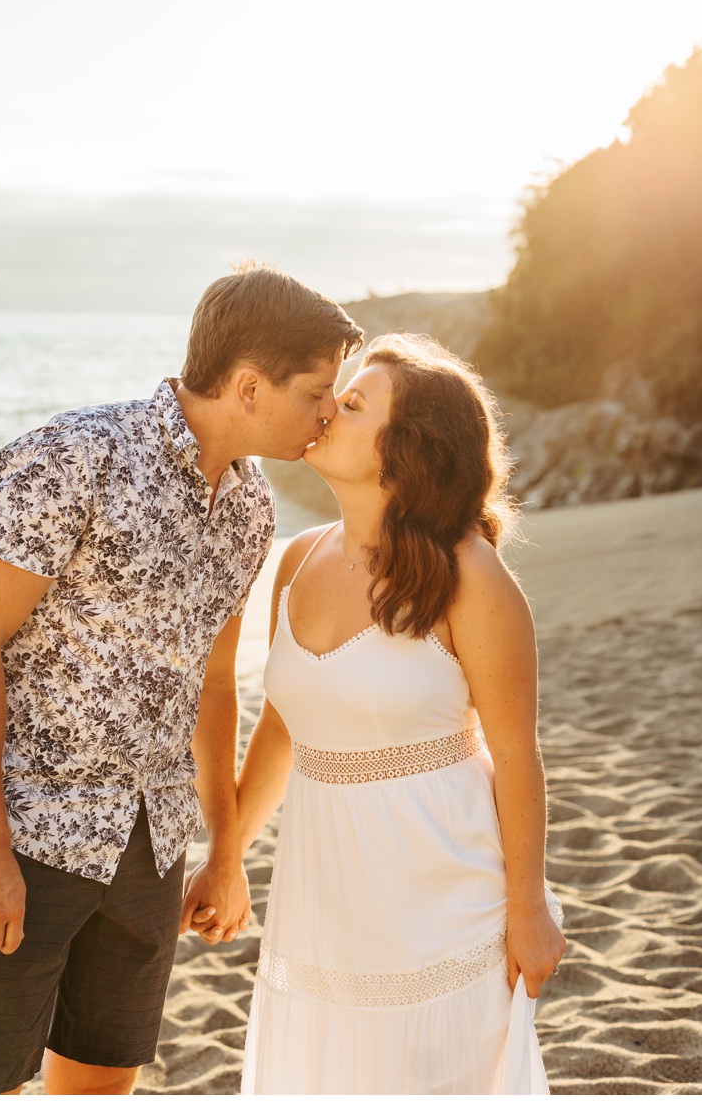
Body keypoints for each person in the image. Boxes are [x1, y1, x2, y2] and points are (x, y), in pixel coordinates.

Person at [0, 263, 362, 1095]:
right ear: (248, 386)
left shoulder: (252, 509)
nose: (329, 411)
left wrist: (225, 852)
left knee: (101, 1086)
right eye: (317, 391)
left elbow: (218, 686)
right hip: (22, 831)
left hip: (149, 847)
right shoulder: (72, 457)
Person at [233, 332, 566, 1094]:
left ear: (407, 447)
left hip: (442, 890)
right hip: (322, 891)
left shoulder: (470, 578)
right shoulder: (297, 560)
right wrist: (227, 856)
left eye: (351, 405)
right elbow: (285, 727)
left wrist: (528, 908)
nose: (326, 411)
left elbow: (517, 754)